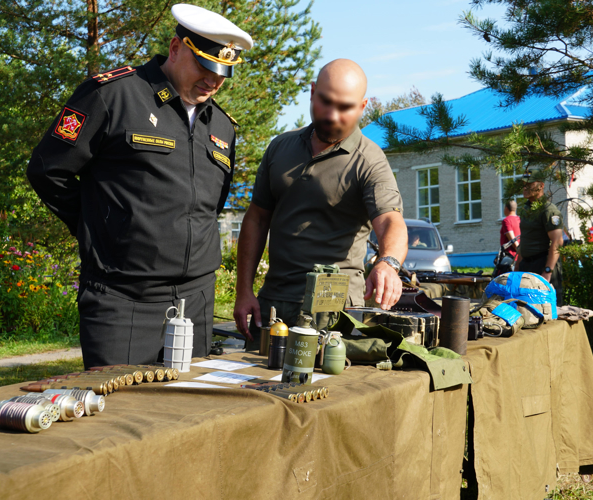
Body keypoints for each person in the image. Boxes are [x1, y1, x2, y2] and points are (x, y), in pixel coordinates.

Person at [27, 4, 253, 369]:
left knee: (190, 417)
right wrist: (98, 229)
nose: (214, 80)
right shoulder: (112, 95)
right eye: (205, 66)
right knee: (120, 417)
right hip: (123, 300)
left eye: (223, 72)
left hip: (196, 298)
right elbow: (47, 169)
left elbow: (210, 204)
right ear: (176, 48)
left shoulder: (223, 126)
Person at [233, 59, 407, 347]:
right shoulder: (280, 147)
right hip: (274, 304)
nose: (333, 114)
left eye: (345, 107)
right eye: (326, 101)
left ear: (362, 107)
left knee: (332, 391)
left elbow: (390, 219)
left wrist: (388, 263)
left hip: (335, 311)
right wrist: (244, 291)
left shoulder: (369, 160)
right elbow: (256, 219)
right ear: (312, 92)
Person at [515, 177, 563, 305]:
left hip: (542, 264)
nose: (525, 188)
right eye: (524, 184)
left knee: (546, 307)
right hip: (526, 265)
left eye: (529, 184)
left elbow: (557, 241)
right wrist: (518, 263)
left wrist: (547, 271)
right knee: (525, 307)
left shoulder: (549, 210)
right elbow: (526, 237)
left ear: (541, 186)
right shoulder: (526, 209)